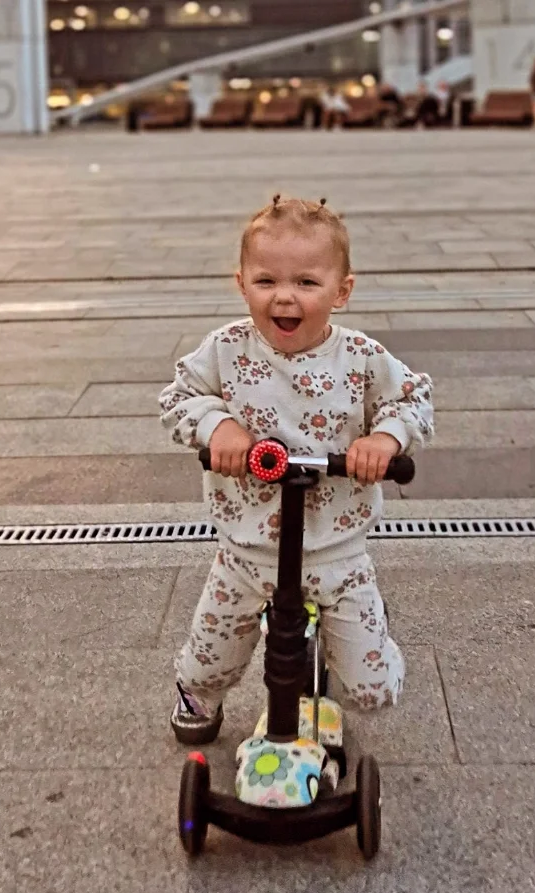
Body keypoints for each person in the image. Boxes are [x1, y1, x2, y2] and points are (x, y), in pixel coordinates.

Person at [159, 195, 435, 744]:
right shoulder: (226, 349)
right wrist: (218, 427)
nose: (284, 296)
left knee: (372, 692)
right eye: (266, 281)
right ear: (242, 284)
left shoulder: (360, 357)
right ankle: (199, 695)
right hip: (247, 548)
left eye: (307, 282)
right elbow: (178, 397)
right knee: (208, 657)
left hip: (336, 550)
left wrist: (384, 438)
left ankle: (369, 633)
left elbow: (413, 399)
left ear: (341, 291)